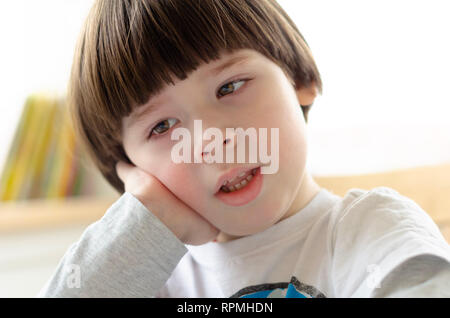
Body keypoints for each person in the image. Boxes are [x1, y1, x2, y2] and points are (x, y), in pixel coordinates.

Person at [37, 0, 450, 297]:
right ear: (131, 170)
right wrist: (144, 224)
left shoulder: (370, 233)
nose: (211, 140)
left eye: (229, 86)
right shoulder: (147, 279)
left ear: (299, 79)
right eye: (162, 126)